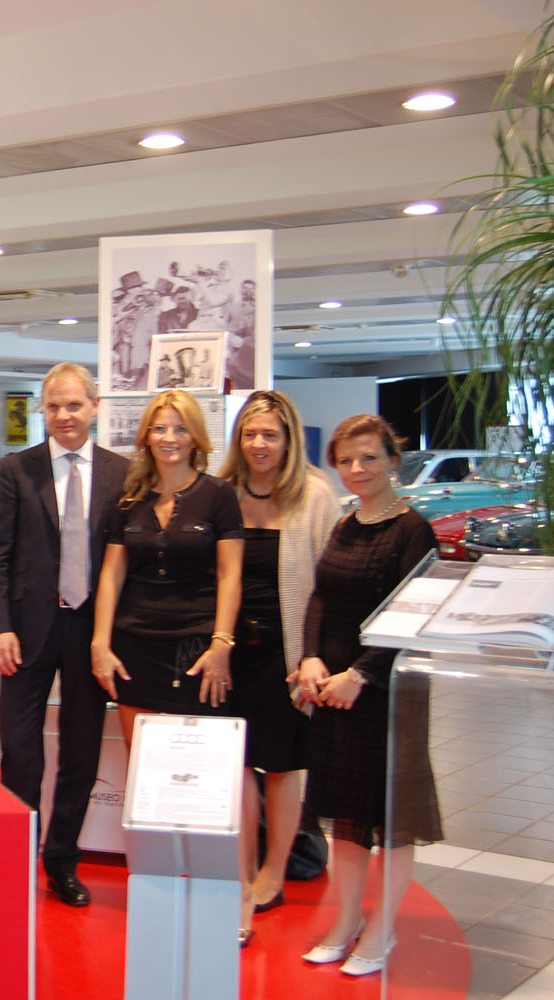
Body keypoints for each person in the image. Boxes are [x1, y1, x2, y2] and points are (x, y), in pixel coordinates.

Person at [293, 415, 440, 977]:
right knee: (346, 816)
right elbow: (320, 598)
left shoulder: (413, 530)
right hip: (336, 690)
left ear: (392, 461)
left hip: (387, 692)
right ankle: (347, 919)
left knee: (389, 815)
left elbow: (413, 615)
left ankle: (382, 930)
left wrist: (360, 674)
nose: (357, 469)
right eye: (346, 460)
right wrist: (311, 659)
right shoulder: (346, 523)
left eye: (369, 457)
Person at [0, 363, 129, 908]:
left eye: (74, 405)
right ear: (43, 411)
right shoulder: (16, 471)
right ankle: (16, 858)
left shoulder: (123, 474)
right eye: (54, 406)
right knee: (20, 752)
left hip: (92, 633)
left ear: (95, 407)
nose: (64, 415)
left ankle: (62, 862)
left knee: (82, 753)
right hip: (26, 632)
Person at [217, 391, 340, 946]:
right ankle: (243, 873)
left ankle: (274, 872)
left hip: (286, 655)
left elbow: (331, 588)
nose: (259, 444)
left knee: (283, 765)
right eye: (250, 434)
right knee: (237, 763)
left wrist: (316, 657)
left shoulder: (315, 496)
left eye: (270, 434)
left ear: (289, 439)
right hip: (230, 651)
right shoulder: (222, 493)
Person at [90, 389, 243, 730]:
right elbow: (111, 577)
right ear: (146, 436)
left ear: (196, 437)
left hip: (197, 648)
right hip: (134, 645)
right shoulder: (127, 499)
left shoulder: (219, 495)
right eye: (159, 429)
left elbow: (229, 575)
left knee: (196, 753)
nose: (169, 438)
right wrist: (100, 643)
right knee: (141, 755)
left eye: (181, 429)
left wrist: (222, 643)